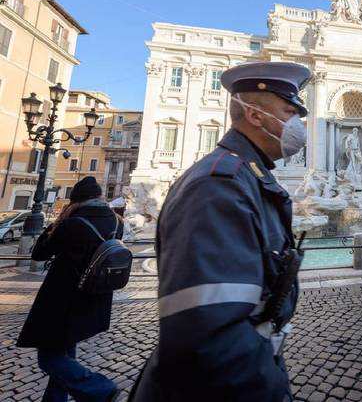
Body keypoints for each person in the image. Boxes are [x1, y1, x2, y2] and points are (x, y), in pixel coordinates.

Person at [130, 61, 311, 401]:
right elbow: (211, 333)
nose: (297, 125)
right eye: (289, 112)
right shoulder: (218, 185)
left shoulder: (248, 177)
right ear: (255, 116)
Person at [17, 176, 121, 402]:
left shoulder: (72, 224)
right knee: (65, 353)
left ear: (75, 200)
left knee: (49, 359)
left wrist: (52, 227)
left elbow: (39, 254)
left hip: (62, 301)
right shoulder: (116, 222)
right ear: (99, 197)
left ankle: (100, 388)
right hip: (94, 298)